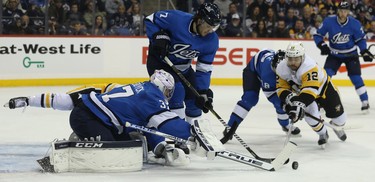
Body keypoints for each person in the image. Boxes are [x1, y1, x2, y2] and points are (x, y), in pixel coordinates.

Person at [5, 70, 223, 165]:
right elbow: (167, 123)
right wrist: (193, 134)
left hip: (87, 115)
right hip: (88, 119)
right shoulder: (152, 98)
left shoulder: (132, 89)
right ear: (164, 88)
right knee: (122, 150)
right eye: (168, 92)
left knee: (134, 142)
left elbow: (66, 99)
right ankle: (70, 149)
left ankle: (83, 136)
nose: (168, 97)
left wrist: (160, 148)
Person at [144, 2, 221, 124]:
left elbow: (204, 68)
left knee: (196, 102)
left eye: (213, 27)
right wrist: (157, 36)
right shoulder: (176, 19)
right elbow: (150, 19)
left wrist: (202, 91)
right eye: (208, 25)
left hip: (183, 68)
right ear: (199, 20)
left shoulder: (211, 40)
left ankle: (193, 134)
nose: (210, 30)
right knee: (177, 91)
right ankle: (179, 134)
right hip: (160, 63)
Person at [274, 42, 347, 148]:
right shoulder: (281, 68)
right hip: (303, 92)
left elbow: (310, 92)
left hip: (324, 90)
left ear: (302, 57)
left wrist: (298, 105)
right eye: (290, 59)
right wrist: (291, 101)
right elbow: (281, 88)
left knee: (340, 120)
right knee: (311, 116)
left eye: (296, 59)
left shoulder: (309, 66)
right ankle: (323, 133)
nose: (293, 62)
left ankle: (337, 125)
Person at [222, 48, 301, 143]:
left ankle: (285, 124)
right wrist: (285, 105)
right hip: (253, 71)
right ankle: (230, 127)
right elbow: (271, 95)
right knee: (250, 99)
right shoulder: (268, 73)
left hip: (264, 63)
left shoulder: (290, 67)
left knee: (282, 101)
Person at [313, 1, 374, 112]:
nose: (343, 13)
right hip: (334, 54)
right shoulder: (329, 22)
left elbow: (360, 39)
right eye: (341, 10)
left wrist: (364, 50)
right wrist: (322, 45)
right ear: (338, 11)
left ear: (348, 12)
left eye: (345, 11)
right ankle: (320, 102)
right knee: (326, 76)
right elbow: (318, 35)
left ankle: (365, 102)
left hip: (351, 55)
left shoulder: (354, 23)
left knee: (356, 78)